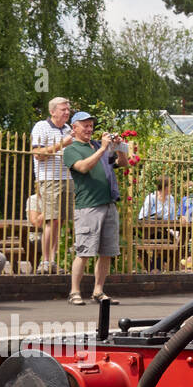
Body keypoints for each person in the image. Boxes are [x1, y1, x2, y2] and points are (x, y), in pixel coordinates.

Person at [61, 112, 121, 308]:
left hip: (108, 204)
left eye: (91, 125)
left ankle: (98, 290)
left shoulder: (97, 146)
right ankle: (75, 292)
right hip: (88, 206)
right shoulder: (72, 149)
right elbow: (84, 167)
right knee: (84, 250)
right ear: (74, 128)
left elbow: (123, 163)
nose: (89, 129)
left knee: (106, 252)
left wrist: (118, 148)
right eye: (84, 125)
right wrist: (103, 148)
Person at [29, 96, 74, 273]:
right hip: (49, 178)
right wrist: (62, 143)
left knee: (60, 221)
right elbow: (38, 154)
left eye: (68, 109)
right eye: (63, 109)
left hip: (67, 179)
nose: (67, 112)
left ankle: (52, 260)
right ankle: (45, 261)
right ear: (53, 111)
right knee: (51, 219)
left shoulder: (68, 129)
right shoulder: (41, 126)